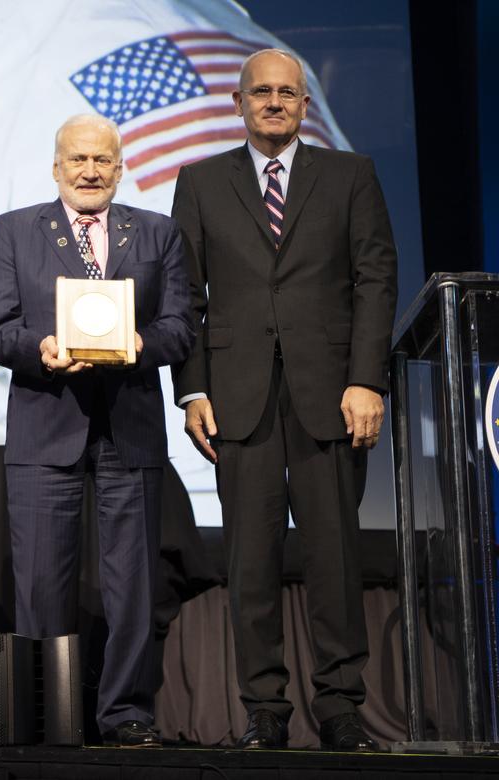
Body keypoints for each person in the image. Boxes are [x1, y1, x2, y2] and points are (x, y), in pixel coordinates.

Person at [170, 49, 397, 752]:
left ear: (305, 105)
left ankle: (339, 708)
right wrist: (193, 387)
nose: (274, 102)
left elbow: (375, 280)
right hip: (238, 399)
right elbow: (185, 294)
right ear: (238, 102)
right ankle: (263, 709)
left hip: (332, 395)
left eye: (287, 93)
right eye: (261, 92)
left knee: (333, 558)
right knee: (250, 562)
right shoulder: (201, 180)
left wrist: (366, 380)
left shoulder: (350, 175)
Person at [0, 114, 193, 747]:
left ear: (120, 168)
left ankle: (126, 714)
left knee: (133, 584)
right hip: (47, 425)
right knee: (42, 582)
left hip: (128, 427)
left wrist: (139, 343)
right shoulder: (14, 231)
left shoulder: (158, 233)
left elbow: (181, 326)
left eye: (103, 160)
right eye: (78, 160)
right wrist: (42, 348)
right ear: (56, 167)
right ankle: (46, 714)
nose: (90, 171)